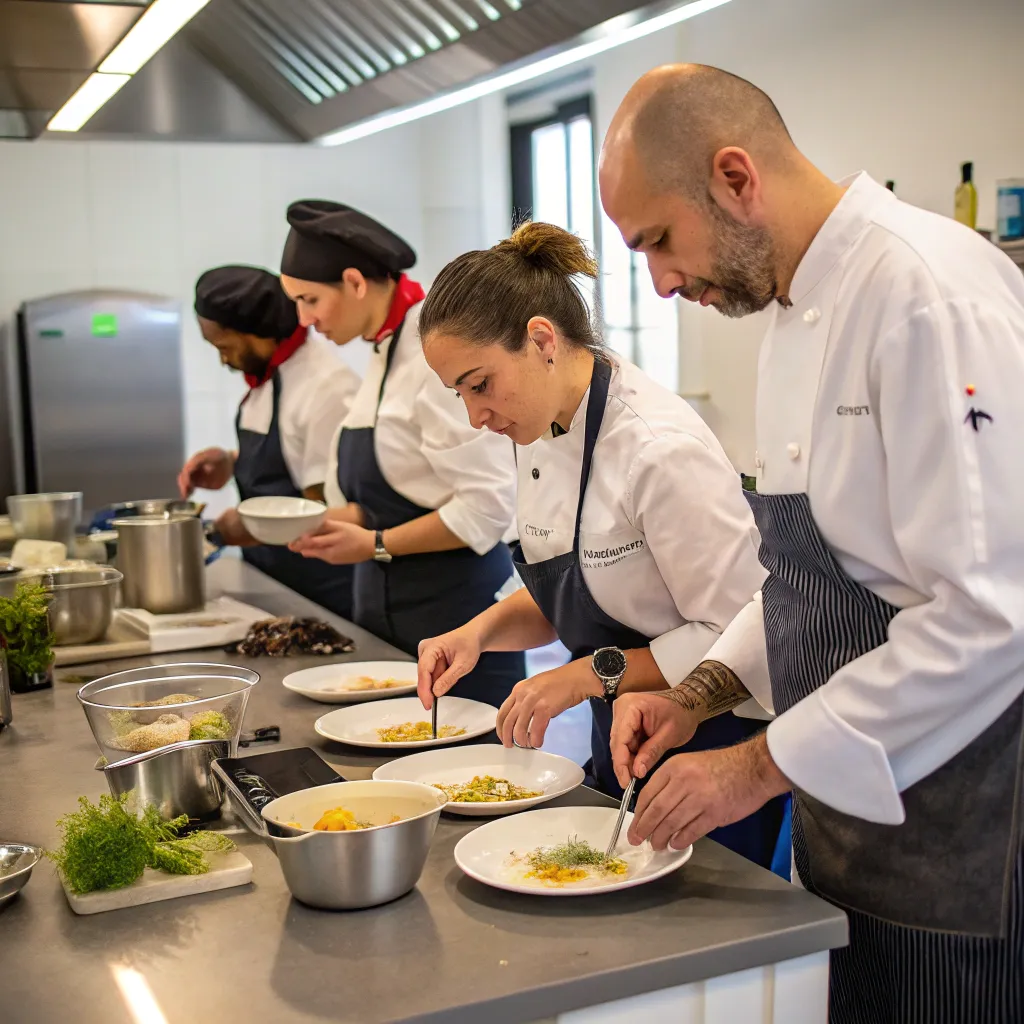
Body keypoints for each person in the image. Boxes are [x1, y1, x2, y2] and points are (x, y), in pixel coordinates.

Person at [601, 64, 1024, 1022]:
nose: (662, 284)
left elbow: (990, 617)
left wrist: (755, 766)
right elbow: (807, 577)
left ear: (736, 178)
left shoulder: (928, 297)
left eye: (660, 241)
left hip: (953, 826)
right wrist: (694, 694)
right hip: (848, 818)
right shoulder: (790, 314)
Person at [413, 221, 784, 867]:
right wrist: (476, 633)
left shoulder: (658, 450)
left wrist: (580, 676)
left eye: (480, 384)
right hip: (623, 733)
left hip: (709, 745)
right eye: (459, 394)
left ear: (541, 339)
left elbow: (736, 629)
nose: (476, 416)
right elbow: (577, 588)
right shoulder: (544, 426)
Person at [280, 200, 524, 707]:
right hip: (393, 619)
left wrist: (375, 544)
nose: (303, 319)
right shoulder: (382, 349)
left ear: (354, 282)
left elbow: (488, 505)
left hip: (455, 624)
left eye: (308, 300)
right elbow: (398, 489)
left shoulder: (431, 357)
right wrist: (330, 524)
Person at [180, 265, 358, 617]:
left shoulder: (326, 388)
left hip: (320, 595)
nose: (223, 359)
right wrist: (231, 462)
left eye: (224, 346)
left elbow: (323, 511)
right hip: (274, 582)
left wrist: (245, 527)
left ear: (256, 332)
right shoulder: (270, 376)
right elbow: (289, 457)